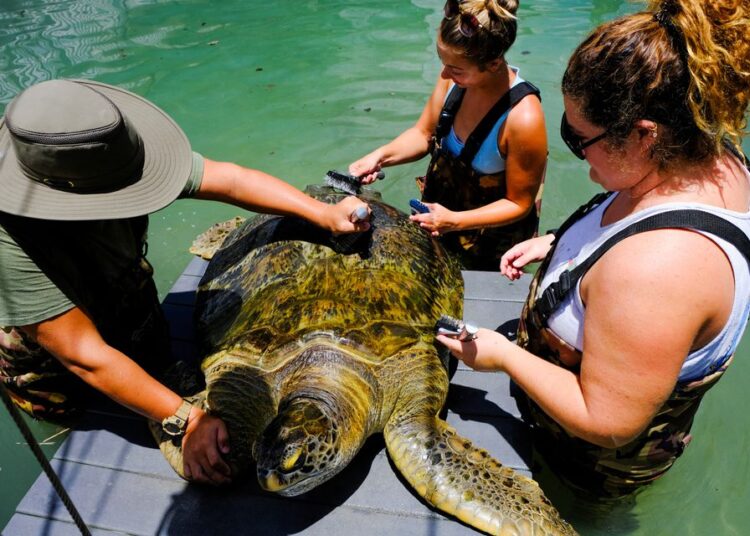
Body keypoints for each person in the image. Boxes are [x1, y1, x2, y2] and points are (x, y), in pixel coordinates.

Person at [438, 0, 750, 497]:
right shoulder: (703, 152)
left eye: (579, 138)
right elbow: (632, 218)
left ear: (646, 135)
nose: (577, 155)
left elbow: (607, 421)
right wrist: (562, 242)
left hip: (583, 465)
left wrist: (502, 357)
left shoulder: (662, 269)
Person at [0, 79, 370, 486]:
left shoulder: (99, 155)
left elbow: (229, 180)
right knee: (71, 421)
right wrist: (184, 419)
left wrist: (320, 212)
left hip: (122, 293)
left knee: (156, 355)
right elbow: (82, 354)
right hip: (53, 353)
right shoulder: (8, 241)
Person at [349, 0, 547, 270]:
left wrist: (454, 221)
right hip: (438, 220)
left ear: (493, 63)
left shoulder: (523, 117)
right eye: (443, 63)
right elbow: (423, 134)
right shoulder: (453, 79)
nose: (444, 74)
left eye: (455, 69)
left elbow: (518, 203)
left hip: (491, 239)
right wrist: (381, 156)